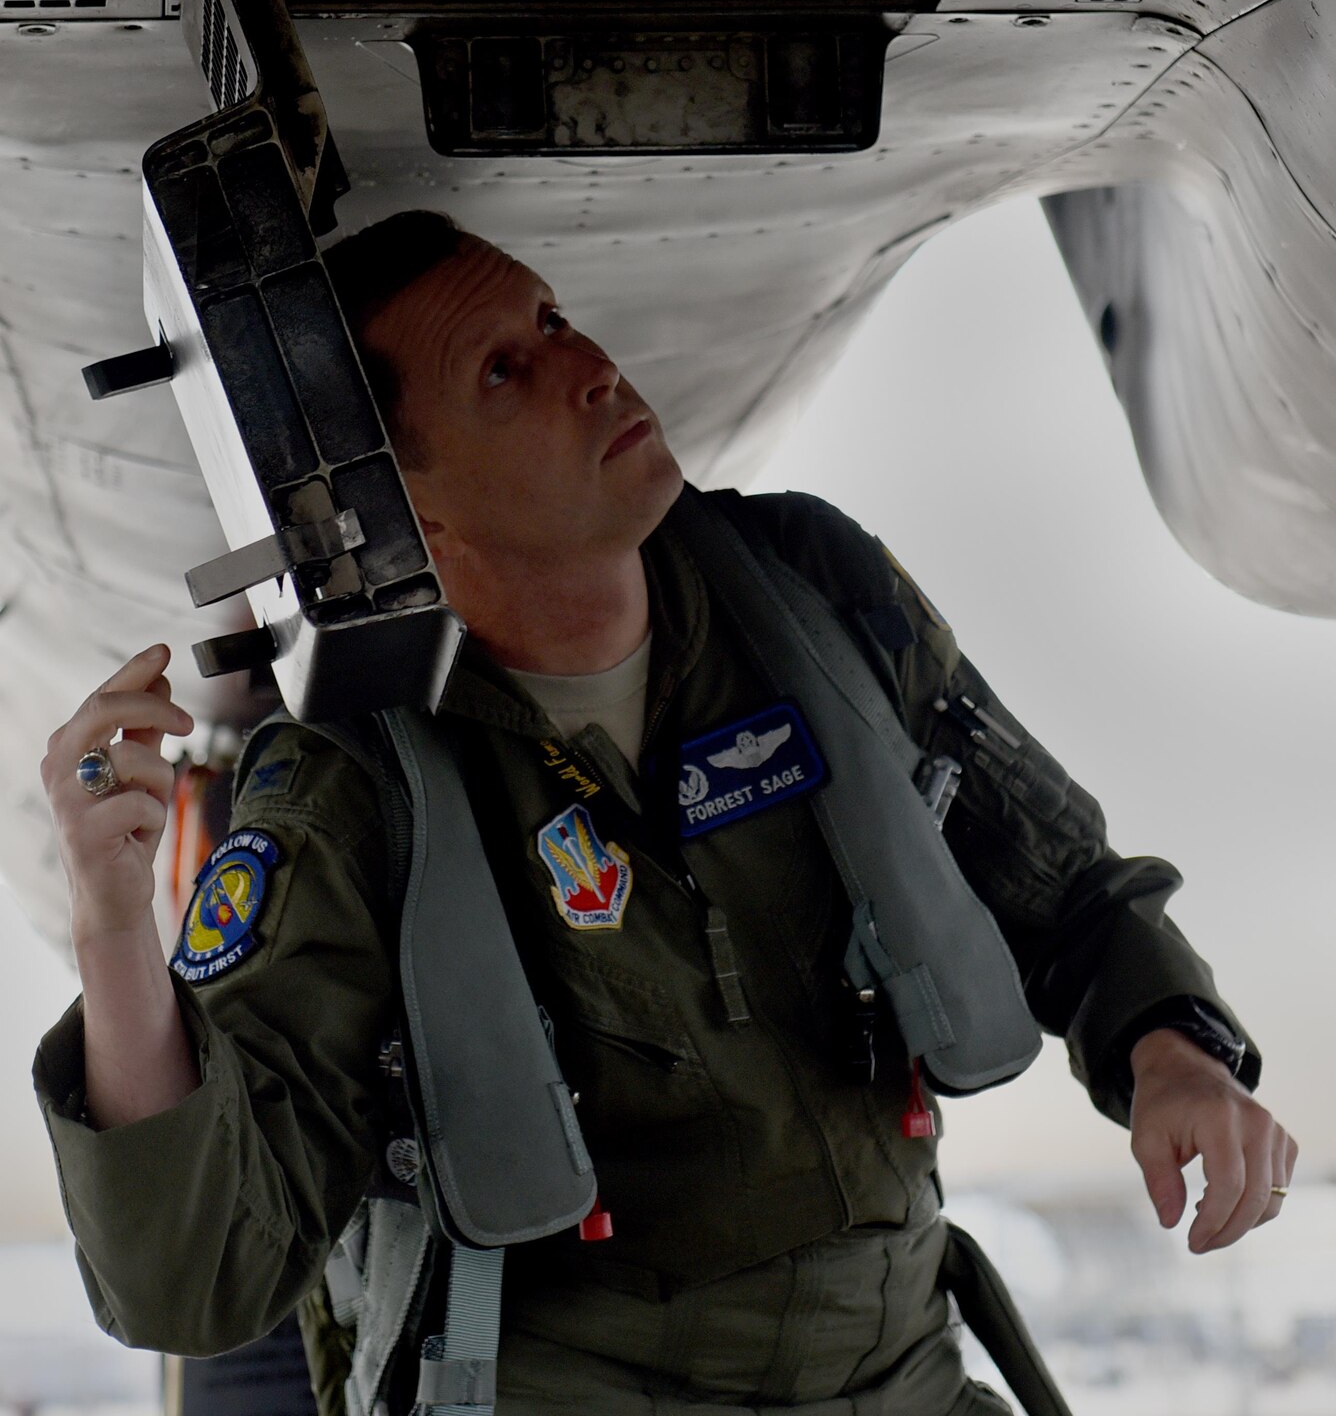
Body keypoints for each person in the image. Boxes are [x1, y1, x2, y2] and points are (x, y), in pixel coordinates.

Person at [35, 212, 1297, 1416]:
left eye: (558, 318)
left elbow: (1062, 881)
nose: (587, 365)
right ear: (414, 513)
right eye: (504, 371)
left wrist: (1171, 1050)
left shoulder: (805, 597)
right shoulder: (353, 783)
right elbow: (202, 1274)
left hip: (896, 1363)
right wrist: (109, 926)